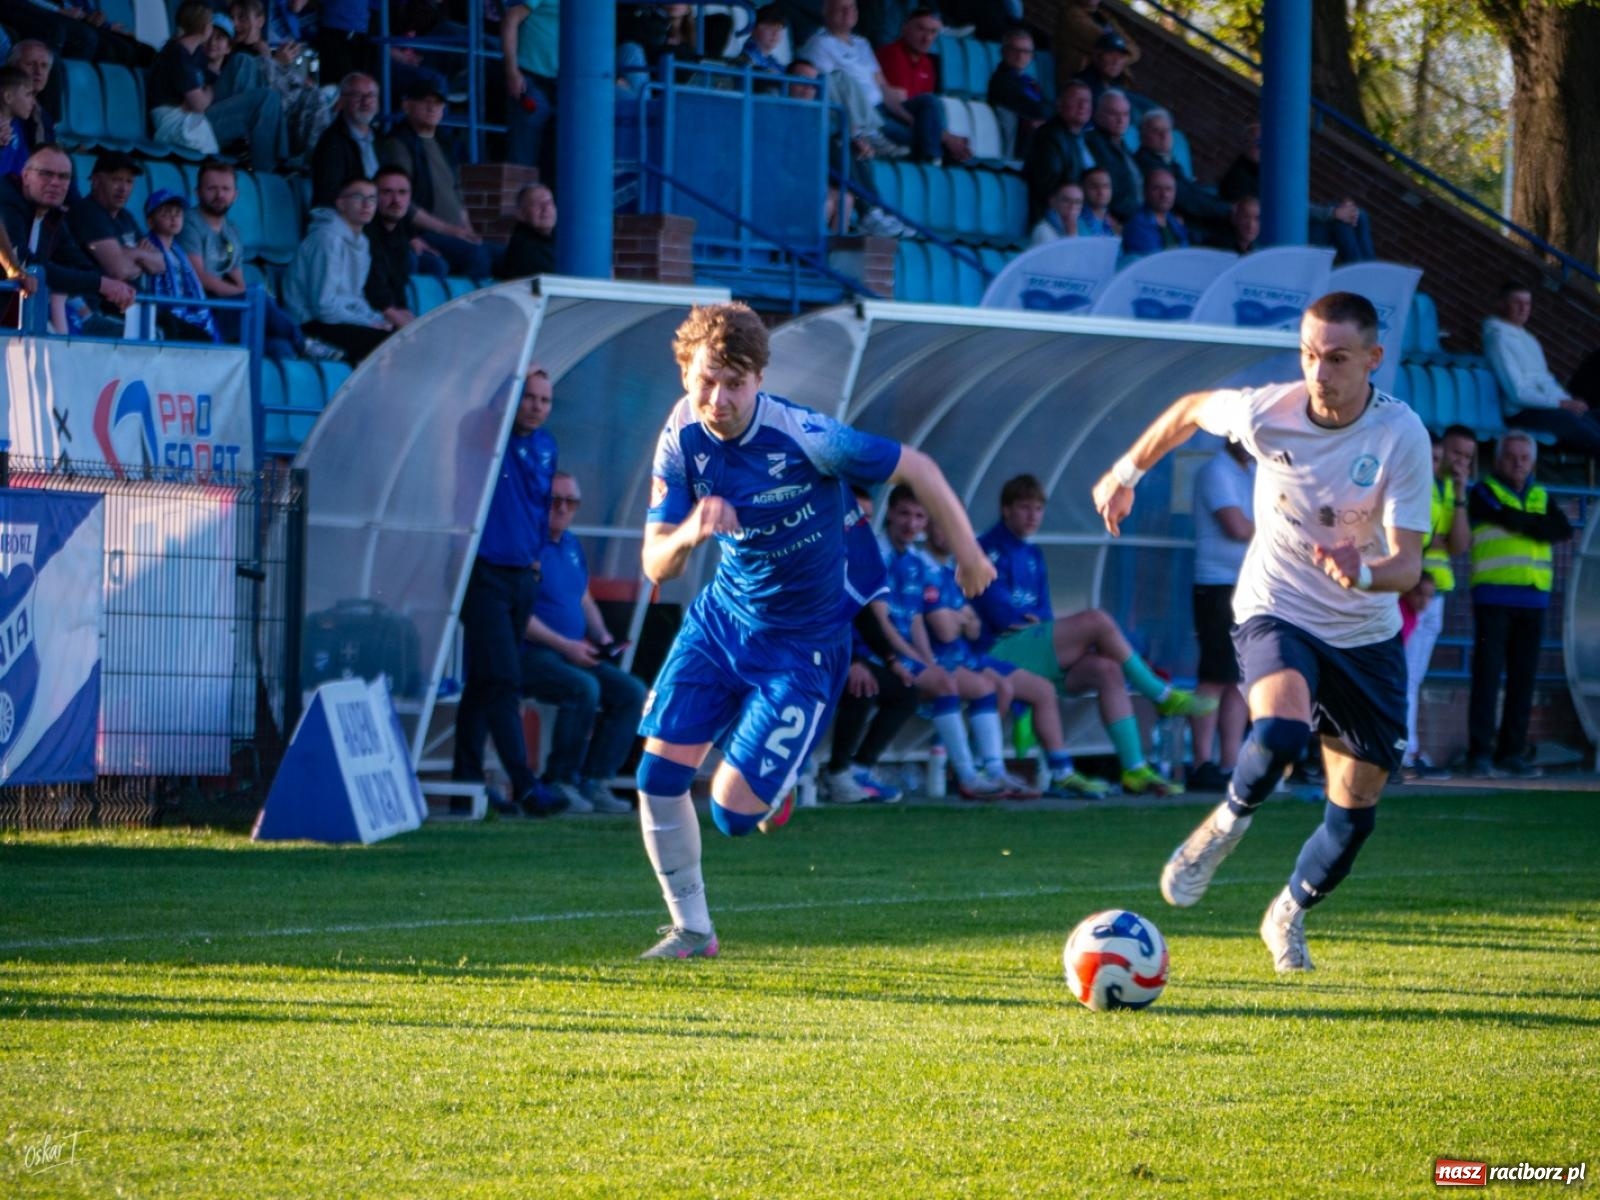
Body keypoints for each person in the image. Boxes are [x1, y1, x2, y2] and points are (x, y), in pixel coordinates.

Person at [635, 301, 995, 959]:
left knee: (730, 815)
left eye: (734, 383)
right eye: (705, 381)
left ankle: (766, 793)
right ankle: (692, 931)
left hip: (802, 646)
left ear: (759, 379)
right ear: (686, 373)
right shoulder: (680, 437)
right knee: (656, 778)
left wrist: (970, 556)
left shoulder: (804, 435)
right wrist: (689, 531)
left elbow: (919, 468)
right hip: (721, 624)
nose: (717, 398)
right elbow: (653, 559)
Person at [1092, 290, 1433, 973]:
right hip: (1277, 608)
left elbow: (1408, 564)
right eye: (1309, 354)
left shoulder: (1401, 435)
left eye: (1336, 358)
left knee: (1354, 814)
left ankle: (1288, 912)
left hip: (1365, 635)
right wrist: (1126, 472)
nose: (1319, 371)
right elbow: (1190, 409)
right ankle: (1223, 823)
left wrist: (1360, 573)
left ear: (1373, 359)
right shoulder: (1266, 411)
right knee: (1278, 731)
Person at [971, 473, 1205, 798]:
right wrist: (1031, 622)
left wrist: (1034, 622)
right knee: (1095, 620)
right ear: (1006, 510)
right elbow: (999, 615)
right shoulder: (985, 550)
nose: (1032, 516)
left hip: (1033, 650)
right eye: (1024, 508)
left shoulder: (1033, 554)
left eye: (1038, 509)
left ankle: (1134, 769)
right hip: (997, 654)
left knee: (1107, 670)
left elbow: (1043, 614)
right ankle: (1160, 694)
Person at [923, 509, 1112, 798]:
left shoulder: (958, 568)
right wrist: (961, 619)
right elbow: (967, 626)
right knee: (1095, 623)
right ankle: (978, 773)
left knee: (1045, 688)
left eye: (954, 526)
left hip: (971, 656)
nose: (948, 533)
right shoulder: (924, 566)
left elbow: (971, 626)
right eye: (942, 525)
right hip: (964, 655)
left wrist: (959, 619)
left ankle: (1060, 771)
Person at [455, 366, 567, 818]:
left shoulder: (546, 445)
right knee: (504, 678)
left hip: (523, 574)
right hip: (484, 572)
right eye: (529, 397)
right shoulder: (489, 435)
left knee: (485, 683)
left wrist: (536, 557)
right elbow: (475, 422)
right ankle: (524, 783)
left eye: (545, 399)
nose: (537, 407)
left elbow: (539, 506)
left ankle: (466, 788)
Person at [876, 485, 1022, 799]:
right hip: (879, 655)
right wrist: (906, 659)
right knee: (947, 683)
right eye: (904, 513)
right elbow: (882, 622)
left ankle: (992, 771)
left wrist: (924, 660)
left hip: (914, 656)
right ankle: (967, 776)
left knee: (987, 687)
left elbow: (918, 620)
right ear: (889, 513)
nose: (911, 523)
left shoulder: (915, 562)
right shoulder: (880, 555)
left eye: (918, 516)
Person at [518, 471, 645, 816]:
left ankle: (595, 781)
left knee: (631, 692)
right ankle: (560, 781)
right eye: (553, 500)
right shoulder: (524, 544)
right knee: (583, 688)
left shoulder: (571, 545)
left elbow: (583, 597)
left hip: (572, 652)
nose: (561, 508)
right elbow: (519, 615)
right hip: (531, 655)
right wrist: (566, 646)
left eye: (570, 502)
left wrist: (602, 637)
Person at [1464, 431, 1572, 779]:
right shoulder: (1483, 492)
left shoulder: (1540, 495)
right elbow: (1516, 520)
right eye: (1511, 457)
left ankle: (1512, 752)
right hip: (1494, 596)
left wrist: (1524, 521)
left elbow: (1560, 530)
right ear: (1497, 460)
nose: (1518, 464)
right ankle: (1479, 752)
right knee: (1487, 677)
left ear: (1534, 462)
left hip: (1533, 599)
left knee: (1523, 681)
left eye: (1524, 458)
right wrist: (1533, 525)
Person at [821, 485, 915, 804]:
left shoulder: (855, 558)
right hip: (804, 655)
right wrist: (851, 663)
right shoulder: (817, 556)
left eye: (867, 519)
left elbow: (861, 615)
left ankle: (859, 769)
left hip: (843, 656)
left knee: (905, 689)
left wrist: (891, 660)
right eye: (855, 517)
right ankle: (836, 774)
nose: (861, 525)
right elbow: (819, 619)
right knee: (861, 684)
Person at [179, 159, 322, 360]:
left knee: (281, 349)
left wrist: (247, 295)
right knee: (258, 298)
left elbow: (239, 282)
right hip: (197, 313)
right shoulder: (188, 223)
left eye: (225, 189)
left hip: (227, 312)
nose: (220, 195)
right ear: (198, 192)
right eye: (212, 188)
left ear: (235, 195)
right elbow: (200, 278)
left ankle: (294, 350)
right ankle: (303, 342)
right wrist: (251, 297)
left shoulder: (232, 231)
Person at [1402, 425, 1475, 778]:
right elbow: (1421, 539)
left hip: (1437, 592)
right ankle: (1405, 752)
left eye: (1465, 458)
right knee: (1404, 676)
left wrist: (1460, 493)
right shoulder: (1410, 484)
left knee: (1413, 678)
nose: (1455, 462)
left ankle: (1407, 750)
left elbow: (1458, 544)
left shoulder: (1445, 489)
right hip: (1409, 592)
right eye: (1451, 454)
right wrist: (1433, 541)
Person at [0, 146, 133, 333]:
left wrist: (114, 285)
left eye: (63, 177)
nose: (55, 182)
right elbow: (25, 264)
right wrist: (100, 284)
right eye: (46, 174)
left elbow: (78, 263)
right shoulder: (6, 201)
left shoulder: (52, 215)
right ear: (26, 175)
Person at [1187, 438, 1254, 792]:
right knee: (1214, 674)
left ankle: (1230, 764)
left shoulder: (1255, 471)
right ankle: (1200, 762)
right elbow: (1237, 527)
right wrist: (1278, 531)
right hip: (1216, 585)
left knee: (1239, 678)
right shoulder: (1216, 470)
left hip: (1249, 586)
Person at [149, 1, 286, 169]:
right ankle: (267, 172)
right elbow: (199, 105)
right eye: (210, 25)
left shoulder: (194, 54)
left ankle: (251, 143)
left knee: (243, 61)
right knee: (267, 98)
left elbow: (198, 98)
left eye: (220, 37)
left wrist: (203, 93)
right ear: (204, 27)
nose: (212, 38)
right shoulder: (178, 54)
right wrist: (206, 92)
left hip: (194, 117)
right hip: (181, 126)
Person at [379, 80, 494, 280]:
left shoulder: (445, 142)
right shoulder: (398, 143)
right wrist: (449, 230)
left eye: (438, 103)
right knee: (477, 256)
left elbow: (456, 192)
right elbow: (404, 204)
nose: (432, 107)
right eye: (425, 101)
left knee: (505, 255)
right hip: (422, 233)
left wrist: (467, 229)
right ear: (407, 106)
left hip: (453, 232)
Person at [281, 175, 394, 363]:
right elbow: (323, 307)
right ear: (341, 204)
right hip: (310, 324)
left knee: (400, 338)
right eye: (358, 197)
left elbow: (355, 296)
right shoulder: (326, 239)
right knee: (385, 345)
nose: (367, 204)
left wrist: (375, 319)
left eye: (372, 199)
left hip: (339, 319)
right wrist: (367, 323)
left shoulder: (362, 242)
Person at [1482, 282, 1600, 459]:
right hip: (1523, 412)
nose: (1523, 308)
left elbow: (1545, 380)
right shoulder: (1498, 339)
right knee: (1584, 430)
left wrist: (1568, 400)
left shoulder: (1530, 339)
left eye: (1527, 303)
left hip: (1549, 406)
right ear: (1501, 304)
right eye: (1516, 303)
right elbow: (1517, 393)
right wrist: (1562, 404)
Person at [799, 0, 907, 160]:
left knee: (926, 112)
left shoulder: (862, 43)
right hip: (859, 119)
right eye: (841, 8)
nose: (848, 11)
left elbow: (882, 85)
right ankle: (869, 137)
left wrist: (908, 117)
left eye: (852, 7)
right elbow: (831, 86)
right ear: (827, 13)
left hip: (882, 112)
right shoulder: (820, 43)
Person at [227, 0, 334, 161]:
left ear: (260, 21)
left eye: (241, 17)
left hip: (285, 115)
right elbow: (262, 92)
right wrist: (274, 63)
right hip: (257, 120)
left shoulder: (264, 50)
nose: (235, 24)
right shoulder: (231, 53)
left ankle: (316, 160)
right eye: (232, 18)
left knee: (316, 97)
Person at [874, 7, 970, 164]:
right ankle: (932, 160)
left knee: (939, 115)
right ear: (905, 28)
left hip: (916, 124)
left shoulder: (927, 63)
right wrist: (946, 137)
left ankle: (937, 158)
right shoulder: (892, 54)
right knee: (930, 103)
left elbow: (927, 114)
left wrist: (946, 137)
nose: (927, 38)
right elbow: (902, 109)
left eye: (933, 32)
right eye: (921, 29)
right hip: (891, 120)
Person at [1133, 109, 1233, 241]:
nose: (1164, 135)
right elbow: (1187, 199)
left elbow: (1192, 191)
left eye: (1167, 130)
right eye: (1156, 131)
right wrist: (1229, 210)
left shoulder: (1166, 160)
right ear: (1143, 136)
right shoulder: (1149, 163)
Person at [65, 151, 163, 285]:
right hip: (96, 302)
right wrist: (141, 259)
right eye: (116, 179)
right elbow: (118, 270)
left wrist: (131, 253)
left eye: (129, 181)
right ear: (96, 181)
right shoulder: (87, 212)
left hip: (133, 301)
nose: (123, 188)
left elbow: (160, 264)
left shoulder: (125, 216)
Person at [140, 189, 221, 343]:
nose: (173, 218)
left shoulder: (178, 251)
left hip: (187, 316)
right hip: (163, 318)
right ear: (150, 222)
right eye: (165, 213)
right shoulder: (146, 248)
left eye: (178, 213)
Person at [1022, 81, 1095, 220]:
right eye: (1076, 99)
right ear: (1060, 104)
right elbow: (1050, 185)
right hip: (1056, 216)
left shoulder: (1086, 138)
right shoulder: (1049, 137)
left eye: (1087, 101)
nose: (1083, 105)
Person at [361, 164, 421, 332]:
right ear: (373, 197)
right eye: (387, 192)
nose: (396, 200)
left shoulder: (400, 232)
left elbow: (398, 288)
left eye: (402, 193)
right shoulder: (363, 233)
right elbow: (374, 292)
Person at [501, 0, 557, 174]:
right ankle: (521, 197)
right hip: (530, 76)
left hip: (568, 85)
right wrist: (512, 71)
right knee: (523, 157)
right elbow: (510, 19)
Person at [311, 73, 381, 209]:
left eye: (371, 96)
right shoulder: (331, 143)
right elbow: (329, 196)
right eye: (357, 95)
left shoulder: (382, 139)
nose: (365, 102)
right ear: (342, 101)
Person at [987, 25, 1050, 158]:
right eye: (1015, 50)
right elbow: (1038, 109)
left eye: (1026, 52)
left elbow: (1046, 107)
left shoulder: (1028, 81)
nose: (1021, 56)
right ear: (1004, 51)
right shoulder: (1001, 81)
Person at [1083, 88, 1140, 224]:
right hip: (1116, 221)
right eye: (1114, 114)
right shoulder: (1092, 143)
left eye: (1125, 114)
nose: (1121, 120)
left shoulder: (1124, 147)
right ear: (1098, 114)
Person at [1054, 0, 1137, 83]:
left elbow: (1135, 51)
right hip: (1082, 82)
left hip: (1116, 83)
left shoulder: (1104, 16)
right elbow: (1105, 42)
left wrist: (1122, 58)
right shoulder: (1072, 15)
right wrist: (1124, 56)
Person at [1121, 167, 1189, 257]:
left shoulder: (1174, 221)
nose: (1164, 194)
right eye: (1157, 188)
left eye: (1169, 189)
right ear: (1145, 191)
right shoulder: (1137, 226)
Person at [496, 182, 556, 279]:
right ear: (521, 214)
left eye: (550, 203)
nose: (546, 208)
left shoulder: (556, 240)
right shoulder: (524, 248)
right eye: (537, 204)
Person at [0, 65, 38, 178]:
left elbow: (23, 165)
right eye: (28, 94)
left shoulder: (17, 126)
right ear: (8, 97)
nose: (33, 102)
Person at [733, 4, 787, 75]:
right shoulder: (745, 58)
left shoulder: (773, 62)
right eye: (769, 26)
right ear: (753, 28)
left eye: (779, 28)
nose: (775, 33)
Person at [1030, 179, 1083, 246]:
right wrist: (1071, 237)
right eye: (1066, 200)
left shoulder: (1081, 227)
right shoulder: (1042, 230)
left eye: (1077, 202)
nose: (1072, 206)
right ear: (1052, 202)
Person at [1078, 165, 1119, 237]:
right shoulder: (1075, 220)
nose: (1101, 192)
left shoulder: (1113, 223)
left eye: (1106, 186)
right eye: (1094, 187)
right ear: (1082, 189)